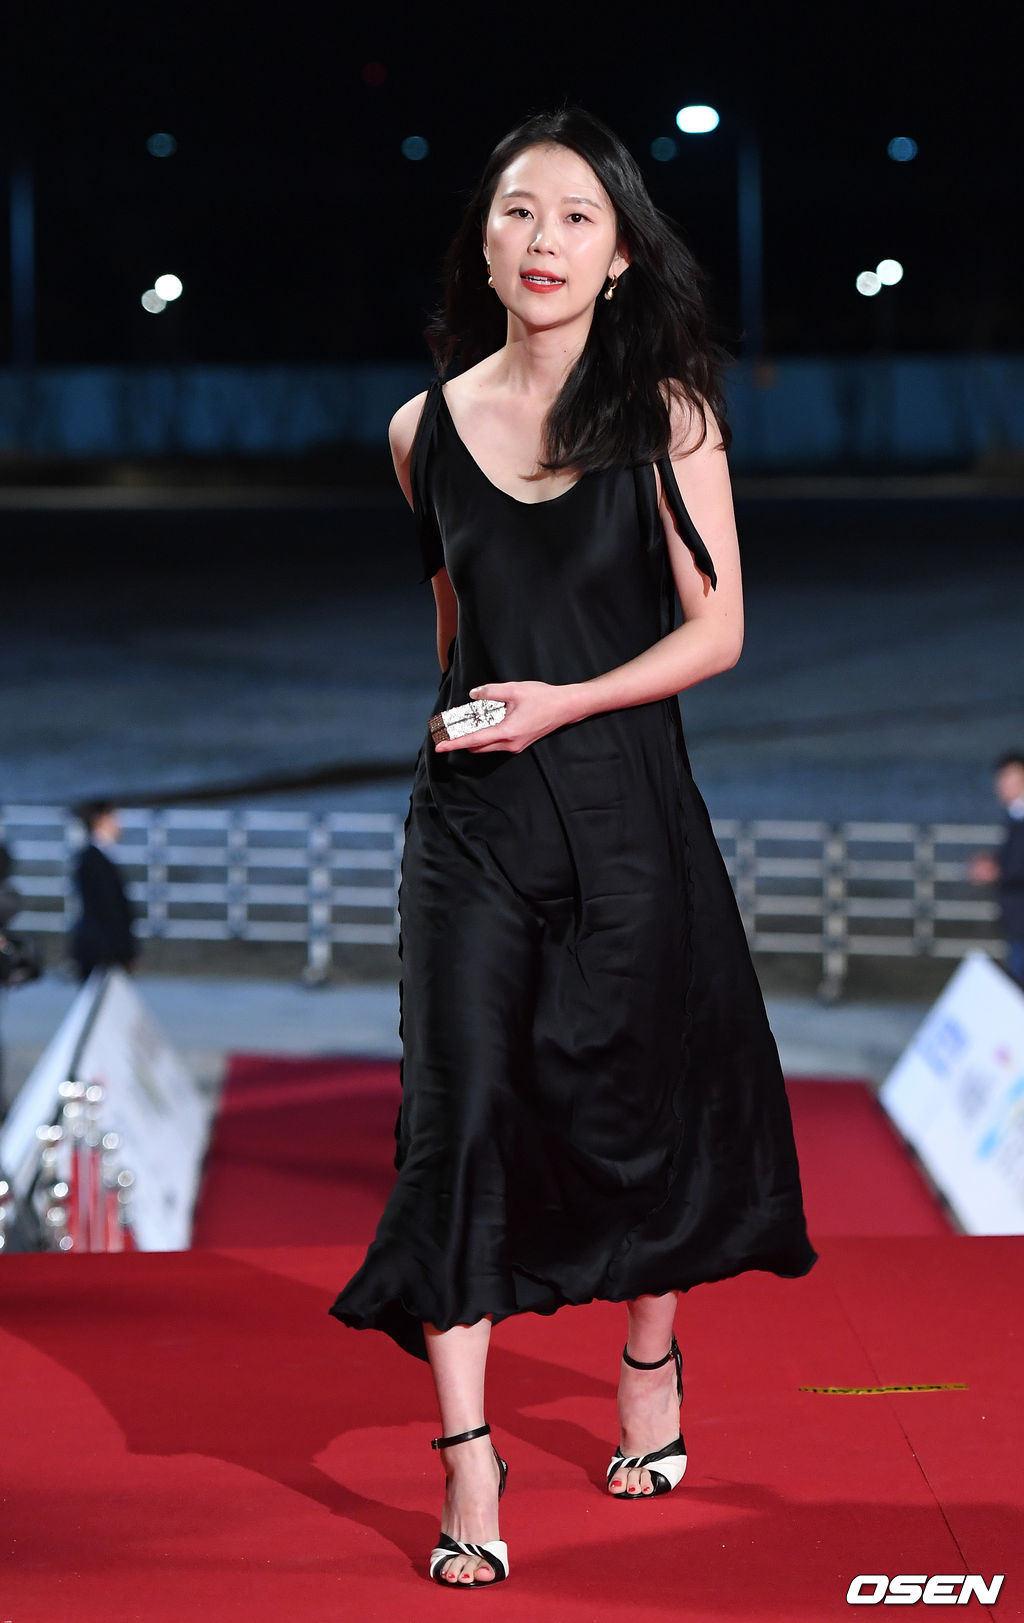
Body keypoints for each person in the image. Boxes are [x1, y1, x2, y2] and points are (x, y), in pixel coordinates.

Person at [329, 107, 817, 1588]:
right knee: (456, 1112)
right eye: (518, 212)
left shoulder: (669, 415)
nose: (543, 240)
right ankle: (466, 1456)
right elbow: (453, 636)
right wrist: (482, 721)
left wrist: (568, 702)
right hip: (474, 827)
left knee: (638, 1097)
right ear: (483, 243)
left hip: (624, 806)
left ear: (618, 258)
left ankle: (649, 1356)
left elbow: (718, 632)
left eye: (576, 219)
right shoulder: (420, 432)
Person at [969, 751, 1024, 988]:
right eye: (1001, 778)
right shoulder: (1014, 815)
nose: (1002, 785)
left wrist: (997, 870)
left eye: (1010, 778)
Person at [68, 800, 138, 982]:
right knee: (100, 996)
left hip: (101, 947)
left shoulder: (94, 857)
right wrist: (124, 950)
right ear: (100, 820)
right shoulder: (93, 859)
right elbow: (107, 909)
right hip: (102, 950)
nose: (119, 823)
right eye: (114, 817)